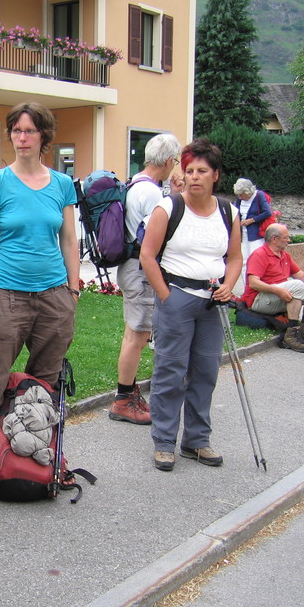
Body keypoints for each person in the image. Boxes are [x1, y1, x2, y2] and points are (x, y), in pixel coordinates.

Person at [0, 101, 80, 466]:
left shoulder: (62, 184)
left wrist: (73, 291)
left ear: (44, 136)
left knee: (46, 379)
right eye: (16, 130)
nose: (22, 138)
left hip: (54, 295)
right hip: (6, 293)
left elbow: (69, 241)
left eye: (30, 131)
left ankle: (35, 454)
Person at [139, 138, 241, 472]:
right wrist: (166, 296)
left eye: (202, 171)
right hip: (177, 297)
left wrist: (228, 285)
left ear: (216, 175)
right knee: (170, 371)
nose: (194, 177)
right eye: (190, 171)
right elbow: (147, 256)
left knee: (206, 372)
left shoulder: (228, 212)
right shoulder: (168, 208)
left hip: (213, 302)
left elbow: (235, 257)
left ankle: (196, 440)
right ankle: (164, 442)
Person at [109, 132, 181, 425]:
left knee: (135, 333)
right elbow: (157, 235)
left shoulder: (135, 183)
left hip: (132, 267)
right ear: (168, 161)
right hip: (140, 270)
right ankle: (123, 399)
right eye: (176, 161)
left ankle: (128, 393)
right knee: (136, 335)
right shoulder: (151, 192)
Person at [244, 223, 304, 353]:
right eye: (286, 237)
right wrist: (277, 291)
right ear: (274, 239)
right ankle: (290, 335)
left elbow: (300, 276)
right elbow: (253, 283)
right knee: (297, 285)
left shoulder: (284, 255)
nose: (289, 240)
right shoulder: (259, 254)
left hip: (278, 295)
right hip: (259, 300)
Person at [232, 178, 272, 294]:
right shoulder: (240, 199)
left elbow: (267, 212)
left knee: (256, 260)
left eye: (241, 194)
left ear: (248, 192)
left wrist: (252, 220)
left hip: (256, 235)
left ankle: (259, 288)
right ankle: (247, 289)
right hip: (243, 234)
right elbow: (236, 212)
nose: (239, 197)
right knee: (243, 261)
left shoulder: (259, 196)